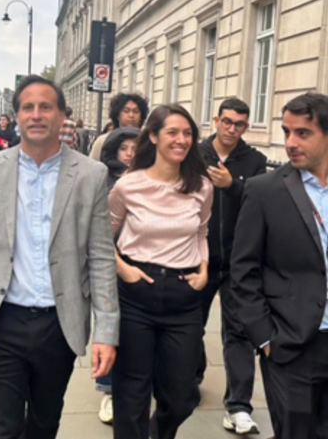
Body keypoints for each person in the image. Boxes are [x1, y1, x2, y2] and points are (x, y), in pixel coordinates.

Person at [0, 75, 119, 439]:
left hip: (58, 325)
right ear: (16, 116)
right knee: (1, 429)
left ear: (62, 116)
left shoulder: (91, 175)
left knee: (44, 425)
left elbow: (102, 257)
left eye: (46, 106)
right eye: (27, 107)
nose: (36, 114)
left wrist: (106, 331)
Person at [230, 93, 328, 439]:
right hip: (291, 344)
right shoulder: (264, 191)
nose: (290, 143)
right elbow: (243, 270)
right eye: (287, 131)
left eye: (303, 133)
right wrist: (265, 337)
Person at [109, 104, 213, 439]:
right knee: (132, 391)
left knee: (182, 396)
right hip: (136, 292)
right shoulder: (128, 185)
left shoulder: (202, 186)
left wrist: (204, 269)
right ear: (152, 136)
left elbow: (202, 231)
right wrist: (122, 268)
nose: (182, 140)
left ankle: (158, 433)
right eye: (172, 132)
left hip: (184, 296)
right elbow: (100, 236)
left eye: (187, 133)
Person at [197, 97, 267, 434]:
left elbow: (261, 203)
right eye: (226, 121)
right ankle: (190, 381)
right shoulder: (196, 153)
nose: (231, 129)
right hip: (198, 258)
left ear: (246, 126)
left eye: (239, 124)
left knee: (238, 333)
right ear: (216, 119)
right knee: (189, 327)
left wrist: (233, 186)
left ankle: (238, 406)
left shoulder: (254, 160)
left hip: (238, 261)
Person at [93, 126, 139, 423]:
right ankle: (108, 390)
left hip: (141, 267)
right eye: (125, 148)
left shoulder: (152, 179)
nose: (131, 154)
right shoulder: (103, 180)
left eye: (136, 148)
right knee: (110, 329)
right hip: (110, 267)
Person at [90, 93, 149, 161]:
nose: (131, 115)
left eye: (136, 111)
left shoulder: (146, 141)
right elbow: (92, 167)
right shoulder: (103, 141)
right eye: (126, 111)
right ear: (117, 115)